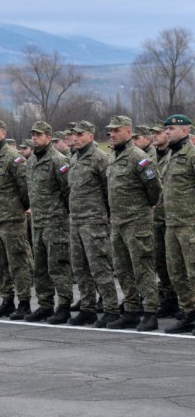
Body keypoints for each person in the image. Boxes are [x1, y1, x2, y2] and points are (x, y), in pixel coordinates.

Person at [105, 115, 161, 331]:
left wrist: (141, 209)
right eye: (110, 131)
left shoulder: (139, 157)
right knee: (122, 268)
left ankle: (150, 312)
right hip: (117, 222)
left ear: (128, 132)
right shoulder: (113, 157)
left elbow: (154, 190)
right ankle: (131, 310)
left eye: (116, 130)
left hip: (137, 223)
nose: (112, 134)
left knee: (142, 267)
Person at [66, 120, 120, 327]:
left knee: (100, 267)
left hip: (94, 222)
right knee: (80, 268)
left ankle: (111, 308)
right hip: (76, 221)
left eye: (80, 134)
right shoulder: (74, 158)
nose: (75, 138)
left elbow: (109, 189)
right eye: (74, 134)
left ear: (90, 136)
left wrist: (104, 215)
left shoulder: (99, 158)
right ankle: (87, 308)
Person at [0, 120, 32, 320]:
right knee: (0, 263)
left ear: (4, 133)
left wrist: (21, 208)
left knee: (17, 262)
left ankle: (24, 302)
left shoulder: (13, 157)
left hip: (11, 219)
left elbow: (24, 187)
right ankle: (7, 300)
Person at [24, 121, 73, 324]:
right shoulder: (31, 161)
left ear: (49, 137)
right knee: (41, 267)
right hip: (38, 222)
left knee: (58, 265)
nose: (35, 138)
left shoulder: (58, 160)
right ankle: (45, 305)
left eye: (39, 135)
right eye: (33, 135)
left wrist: (61, 214)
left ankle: (64, 306)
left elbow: (68, 191)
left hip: (55, 222)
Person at [160, 115, 195, 334]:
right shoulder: (171, 156)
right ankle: (189, 313)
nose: (167, 132)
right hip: (172, 225)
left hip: (190, 225)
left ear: (185, 130)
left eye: (171, 128)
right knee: (176, 273)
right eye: (167, 129)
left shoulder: (191, 155)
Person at [150, 121, 179, 318]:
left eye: (159, 132)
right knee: (160, 262)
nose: (157, 135)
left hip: (175, 219)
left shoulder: (175, 156)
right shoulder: (151, 157)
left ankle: (183, 302)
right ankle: (169, 299)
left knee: (177, 265)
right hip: (157, 219)